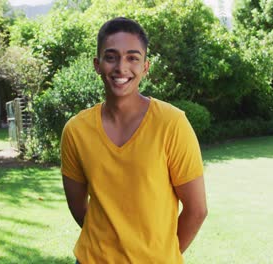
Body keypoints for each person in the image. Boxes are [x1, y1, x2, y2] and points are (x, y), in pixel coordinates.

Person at [61, 17, 207, 263]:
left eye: (132, 57)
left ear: (145, 67)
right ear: (97, 64)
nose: (121, 67)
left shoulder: (171, 123)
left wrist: (161, 254)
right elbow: (78, 208)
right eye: (111, 57)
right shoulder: (76, 130)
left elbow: (196, 210)